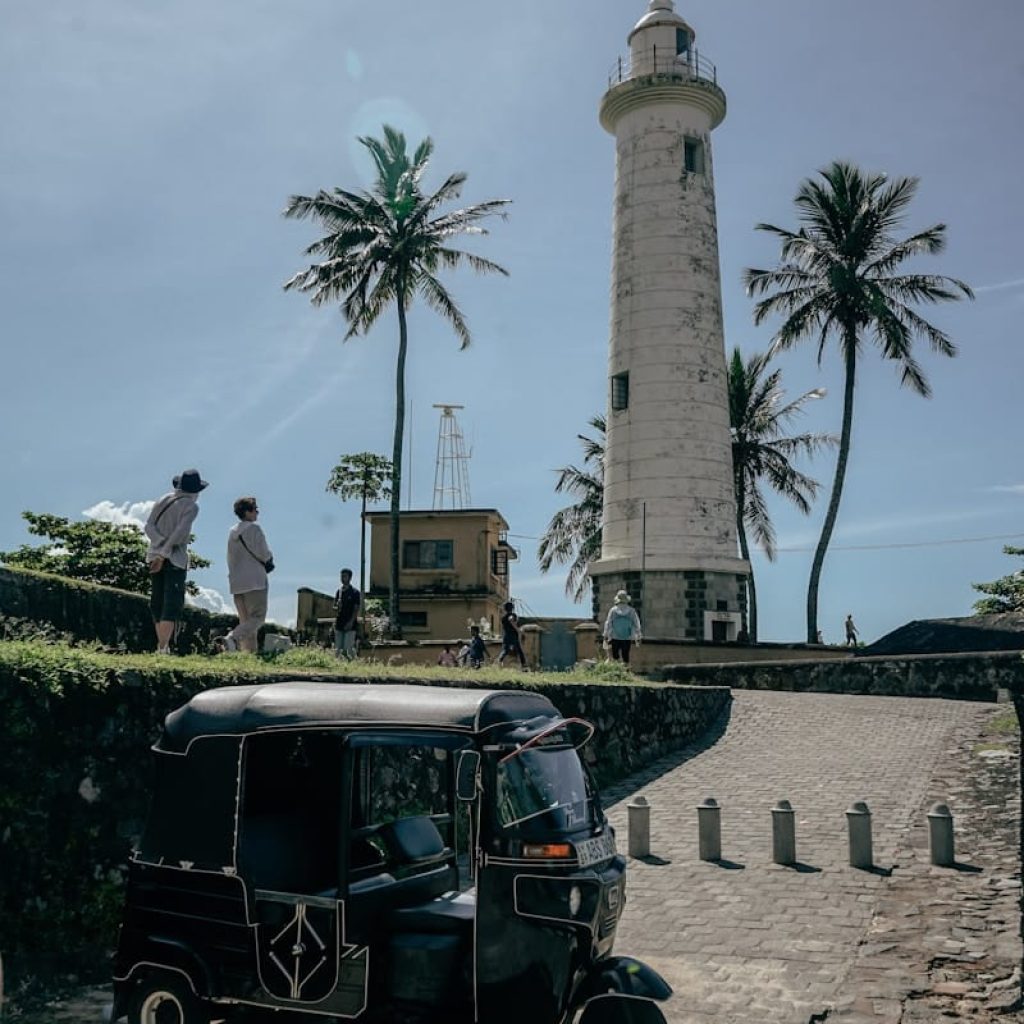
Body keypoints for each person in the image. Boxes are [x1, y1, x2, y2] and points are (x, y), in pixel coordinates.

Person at [144, 468, 208, 655]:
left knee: (157, 600)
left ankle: (161, 645)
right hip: (174, 558)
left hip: (153, 555)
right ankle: (163, 647)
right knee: (171, 602)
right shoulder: (191, 506)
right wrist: (165, 551)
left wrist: (158, 544)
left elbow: (148, 526)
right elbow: (180, 532)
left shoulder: (164, 499)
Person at [221, 496, 273, 653]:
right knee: (257, 618)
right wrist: (270, 559)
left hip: (237, 581)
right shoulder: (254, 529)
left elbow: (230, 557)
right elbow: (264, 553)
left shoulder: (232, 532)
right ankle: (232, 638)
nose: (257, 512)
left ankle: (248, 653)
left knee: (246, 622)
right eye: (255, 509)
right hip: (255, 580)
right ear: (248, 512)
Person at [603, 590, 642, 665]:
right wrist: (638, 636)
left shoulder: (613, 610)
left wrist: (606, 636)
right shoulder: (631, 611)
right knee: (625, 657)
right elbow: (637, 623)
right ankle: (626, 671)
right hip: (627, 637)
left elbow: (608, 623)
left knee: (615, 657)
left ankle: (616, 672)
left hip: (615, 637)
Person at [334, 568, 360, 659]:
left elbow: (356, 609)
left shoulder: (355, 592)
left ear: (349, 578)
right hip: (339, 623)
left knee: (348, 648)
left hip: (350, 624)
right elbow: (335, 609)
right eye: (341, 576)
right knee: (338, 649)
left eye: (344, 576)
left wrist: (351, 622)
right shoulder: (339, 592)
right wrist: (337, 606)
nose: (342, 578)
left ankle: (354, 664)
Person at [497, 601, 527, 669]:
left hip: (506, 636)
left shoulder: (503, 618)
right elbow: (511, 619)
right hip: (513, 636)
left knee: (505, 650)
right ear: (512, 608)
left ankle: (499, 661)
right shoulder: (513, 615)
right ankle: (524, 665)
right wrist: (519, 631)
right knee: (519, 651)